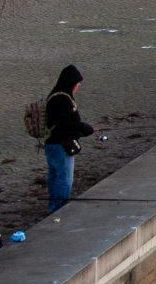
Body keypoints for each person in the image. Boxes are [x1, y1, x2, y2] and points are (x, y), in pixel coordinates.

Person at [42, 64, 94, 212]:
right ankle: (58, 209)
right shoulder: (63, 100)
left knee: (54, 176)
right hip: (61, 145)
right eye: (77, 83)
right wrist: (84, 128)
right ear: (71, 83)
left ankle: (53, 205)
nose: (78, 86)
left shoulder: (54, 95)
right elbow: (66, 125)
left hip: (50, 144)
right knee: (65, 179)